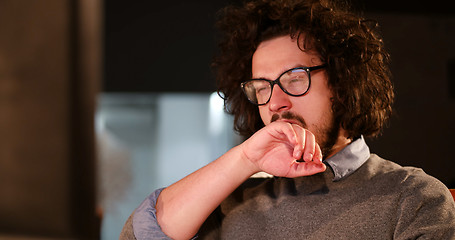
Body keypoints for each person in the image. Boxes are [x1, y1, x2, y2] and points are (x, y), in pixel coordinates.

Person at [120, 0, 455, 239]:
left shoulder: (413, 198)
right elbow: (141, 234)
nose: (276, 103)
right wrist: (245, 158)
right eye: (261, 87)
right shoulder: (233, 207)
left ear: (341, 82)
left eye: (295, 78)